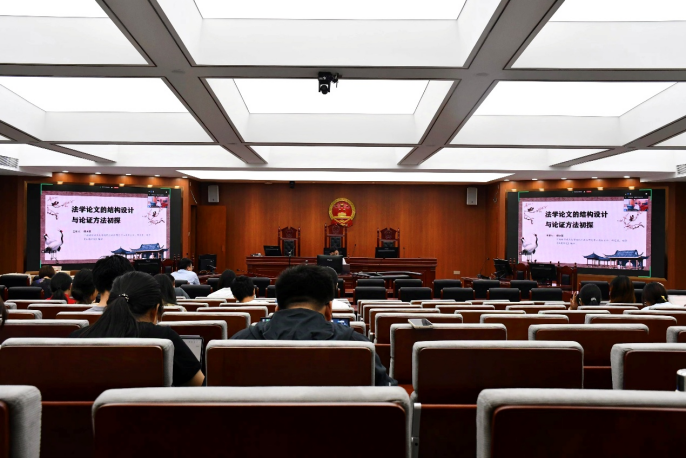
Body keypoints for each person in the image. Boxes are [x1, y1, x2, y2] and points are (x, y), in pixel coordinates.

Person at [231, 265, 397, 387]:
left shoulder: (237, 344)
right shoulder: (359, 347)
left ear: (277, 309)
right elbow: (391, 400)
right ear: (329, 310)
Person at [71, 271, 204, 387]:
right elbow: (201, 387)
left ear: (110, 305)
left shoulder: (75, 339)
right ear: (155, 311)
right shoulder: (164, 338)